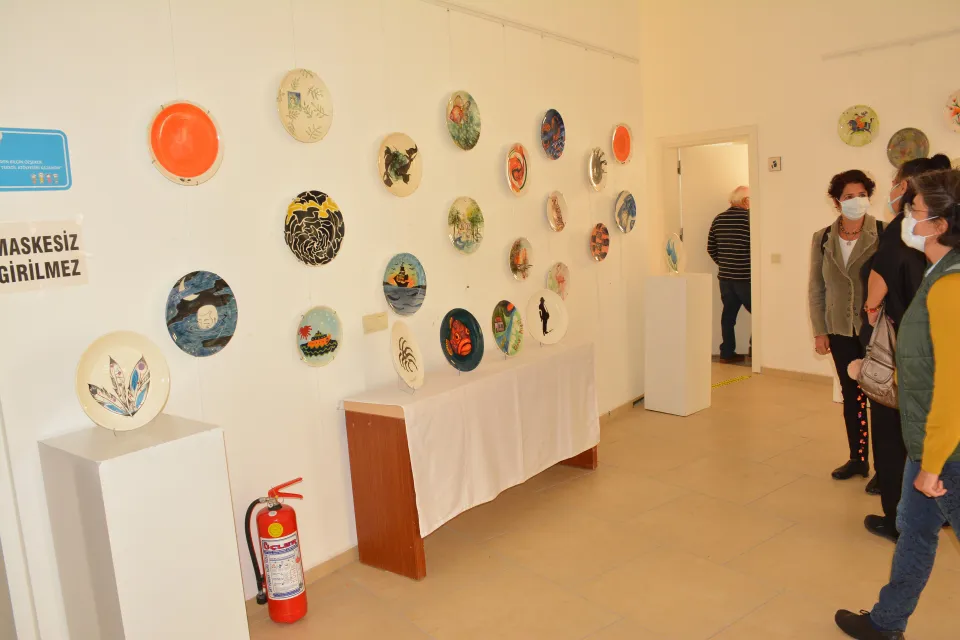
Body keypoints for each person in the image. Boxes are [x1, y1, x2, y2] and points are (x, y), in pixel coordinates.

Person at [835, 168, 960, 640]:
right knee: (913, 530)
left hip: (946, 449)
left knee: (917, 529)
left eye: (917, 210)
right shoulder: (938, 272)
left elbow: (953, 384)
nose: (907, 216)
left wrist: (932, 463)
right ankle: (886, 622)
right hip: (926, 437)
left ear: (941, 225)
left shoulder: (950, 285)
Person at [858, 155, 952, 543]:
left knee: (893, 433)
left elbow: (877, 287)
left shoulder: (903, 234)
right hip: (929, 356)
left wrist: (871, 309)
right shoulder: (941, 250)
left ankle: (899, 516)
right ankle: (930, 512)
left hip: (908, 355)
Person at [809, 170, 884, 481]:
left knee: (881, 399)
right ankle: (858, 458)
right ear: (837, 201)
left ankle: (886, 469)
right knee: (852, 396)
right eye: (849, 196)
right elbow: (817, 287)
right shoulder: (823, 237)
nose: (856, 201)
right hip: (839, 327)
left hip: (875, 329)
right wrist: (819, 330)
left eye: (861, 195)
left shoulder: (883, 232)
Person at [707, 185, 751, 364]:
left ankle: (726, 353)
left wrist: (725, 264)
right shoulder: (749, 219)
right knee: (759, 313)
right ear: (746, 201)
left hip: (725, 279)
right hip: (745, 278)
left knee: (728, 316)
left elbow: (711, 248)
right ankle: (755, 352)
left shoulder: (718, 219)